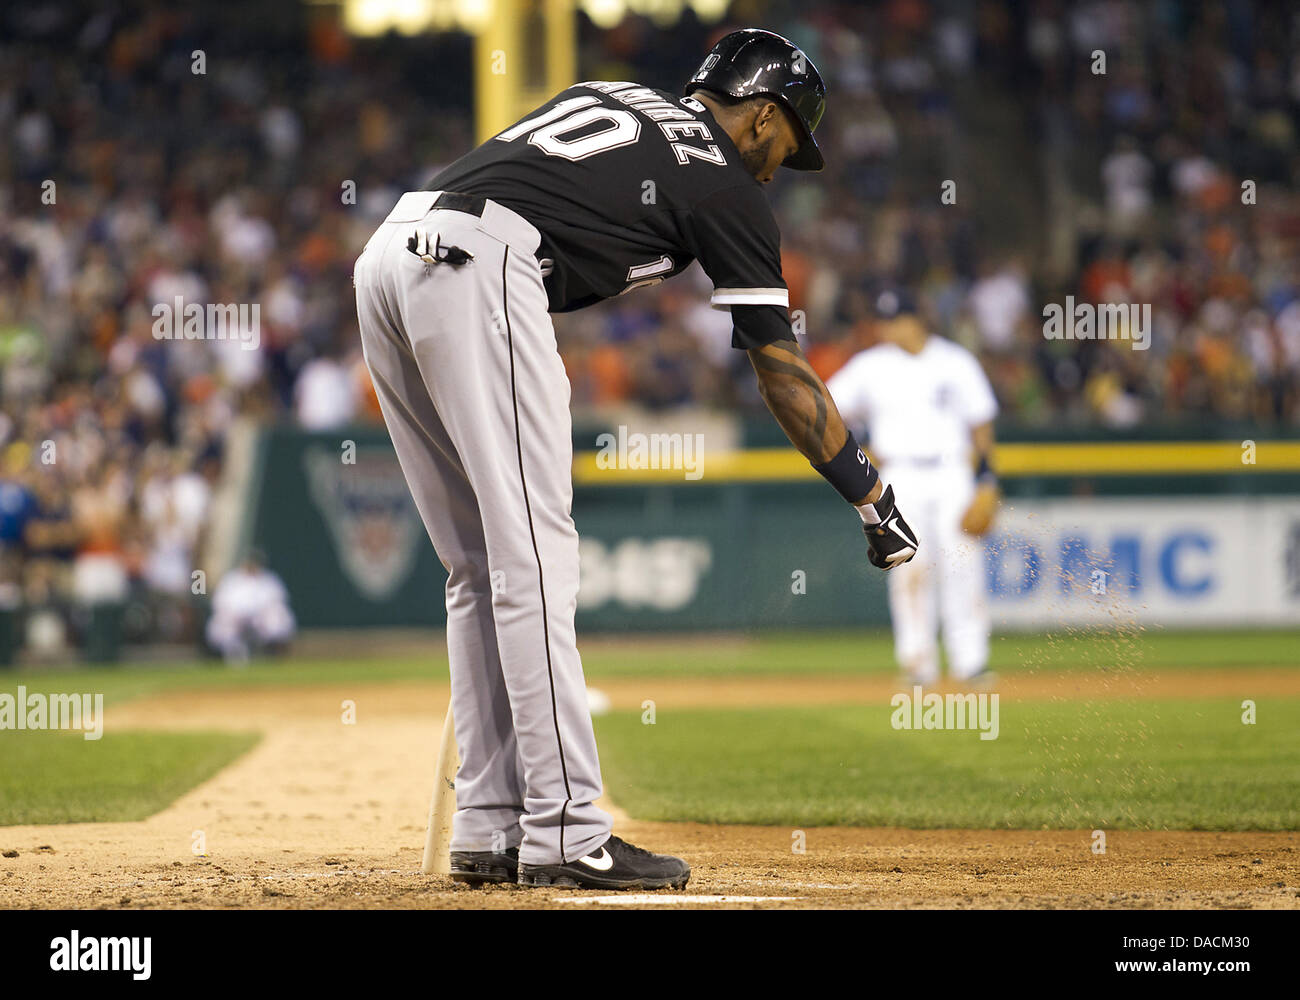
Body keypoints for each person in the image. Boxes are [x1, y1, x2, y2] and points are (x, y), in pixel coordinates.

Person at [353, 29, 918, 891]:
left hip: (393, 252)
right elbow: (783, 375)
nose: (779, 168)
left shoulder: (615, 95)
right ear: (763, 117)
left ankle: (491, 822)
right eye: (788, 145)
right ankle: (569, 830)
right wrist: (869, 495)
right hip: (479, 264)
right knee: (535, 557)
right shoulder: (726, 181)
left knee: (476, 564)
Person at [828, 288, 999, 686]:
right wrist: (859, 449)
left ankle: (970, 661)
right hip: (898, 476)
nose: (888, 328)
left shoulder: (955, 361)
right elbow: (826, 409)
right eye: (884, 321)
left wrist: (987, 478)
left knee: (961, 563)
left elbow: (981, 423)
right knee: (909, 566)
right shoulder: (869, 365)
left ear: (915, 320)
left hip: (951, 471)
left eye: (895, 320)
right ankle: (918, 662)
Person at [205, 550, 296, 665]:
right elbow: (219, 602)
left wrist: (262, 614)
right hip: (236, 617)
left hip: (261, 618)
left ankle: (271, 653)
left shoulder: (269, 579)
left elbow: (278, 601)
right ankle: (235, 655)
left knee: (278, 618)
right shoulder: (231, 579)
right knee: (222, 623)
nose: (252, 565)